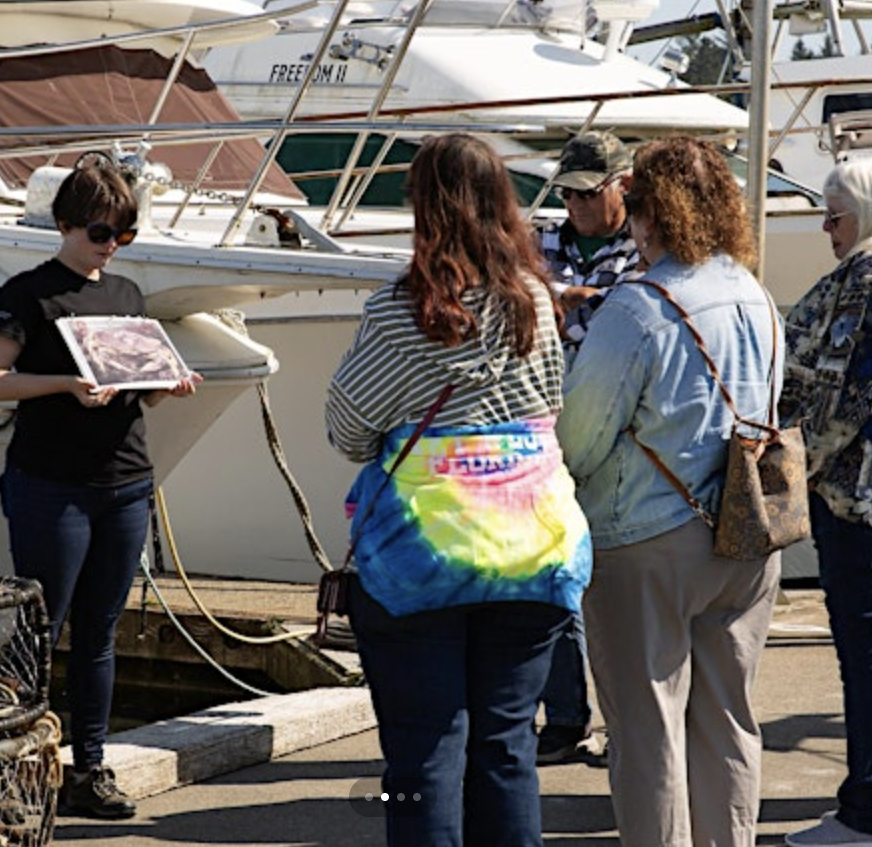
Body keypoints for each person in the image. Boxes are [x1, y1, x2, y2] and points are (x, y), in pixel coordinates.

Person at [325, 133, 591, 846]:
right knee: (506, 746)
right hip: (532, 547)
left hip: (424, 557)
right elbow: (551, 408)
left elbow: (347, 430)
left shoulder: (396, 312)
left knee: (425, 752)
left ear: (422, 207)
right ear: (503, 204)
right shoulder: (537, 298)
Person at [557, 136, 783, 847]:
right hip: (748, 535)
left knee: (647, 730)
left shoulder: (640, 308)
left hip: (646, 538)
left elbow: (579, 438)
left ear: (649, 212)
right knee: (727, 721)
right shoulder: (756, 293)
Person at [0, 152, 200, 821]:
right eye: (100, 232)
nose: (110, 246)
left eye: (123, 235)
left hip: (125, 481)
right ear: (66, 224)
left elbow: (144, 398)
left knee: (100, 634)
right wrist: (68, 384)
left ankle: (90, 768)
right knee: (38, 629)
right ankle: (8, 761)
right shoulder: (28, 292)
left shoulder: (127, 295)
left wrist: (166, 384)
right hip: (51, 484)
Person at [536, 130, 639, 764]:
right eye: (567, 193)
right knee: (557, 577)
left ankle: (628, 726)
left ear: (620, 186)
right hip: (547, 437)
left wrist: (554, 306)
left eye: (587, 192)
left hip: (619, 443)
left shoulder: (645, 246)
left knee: (619, 590)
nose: (574, 205)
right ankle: (566, 719)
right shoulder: (538, 238)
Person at [781, 158, 872, 847]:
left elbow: (842, 396)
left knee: (864, 657)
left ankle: (864, 812)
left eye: (835, 216)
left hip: (854, 506)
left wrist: (791, 465)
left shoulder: (862, 281)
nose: (825, 228)